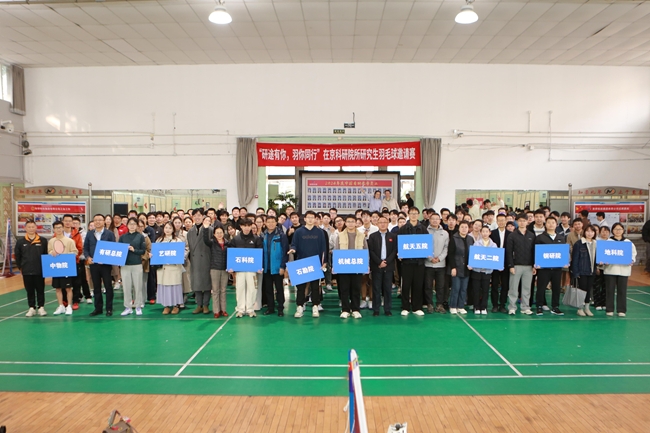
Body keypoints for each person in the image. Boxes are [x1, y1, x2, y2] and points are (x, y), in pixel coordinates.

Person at [288, 210, 329, 318]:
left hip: (315, 263)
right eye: (308, 217)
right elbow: (294, 244)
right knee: (301, 287)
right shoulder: (299, 232)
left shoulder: (320, 232)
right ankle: (300, 306)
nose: (310, 219)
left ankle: (315, 306)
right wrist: (293, 249)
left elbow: (323, 248)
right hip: (301, 263)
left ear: (315, 219)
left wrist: (324, 262)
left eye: (312, 217)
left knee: (315, 286)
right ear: (305, 219)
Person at [334, 215, 369, 319]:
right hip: (343, 266)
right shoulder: (340, 236)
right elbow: (336, 251)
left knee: (356, 288)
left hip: (357, 266)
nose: (350, 223)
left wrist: (366, 265)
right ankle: (345, 309)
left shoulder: (361, 236)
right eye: (348, 221)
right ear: (345, 223)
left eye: (352, 221)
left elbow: (365, 251)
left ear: (356, 223)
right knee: (344, 288)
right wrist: (335, 265)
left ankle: (355, 309)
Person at [229, 219, 263, 318]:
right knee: (240, 288)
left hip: (252, 269)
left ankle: (250, 309)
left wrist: (259, 266)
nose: (247, 228)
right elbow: (232, 254)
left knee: (252, 288)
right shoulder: (236, 239)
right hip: (239, 269)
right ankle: (240, 309)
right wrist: (231, 267)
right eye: (245, 226)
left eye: (249, 226)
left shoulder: (256, 239)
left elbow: (260, 253)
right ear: (241, 226)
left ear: (251, 226)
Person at [84, 214, 117, 317]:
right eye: (95, 220)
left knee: (108, 286)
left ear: (104, 222)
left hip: (106, 265)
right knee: (96, 287)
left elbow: (113, 248)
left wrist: (106, 259)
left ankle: (109, 308)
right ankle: (98, 308)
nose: (98, 222)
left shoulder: (109, 234)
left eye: (100, 220)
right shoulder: (90, 234)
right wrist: (88, 257)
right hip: (94, 265)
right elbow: (85, 248)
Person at [602, 222, 637, 317]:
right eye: (616, 229)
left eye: (620, 229)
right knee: (609, 290)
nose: (618, 231)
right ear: (612, 231)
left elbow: (633, 253)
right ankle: (609, 309)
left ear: (623, 230)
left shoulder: (628, 242)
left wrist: (632, 260)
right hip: (610, 269)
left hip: (624, 270)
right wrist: (604, 261)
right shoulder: (608, 242)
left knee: (622, 290)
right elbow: (603, 254)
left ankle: (621, 310)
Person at [534, 217, 567, 316]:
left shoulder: (561, 238)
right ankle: (539, 306)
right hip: (544, 268)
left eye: (553, 222)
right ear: (545, 224)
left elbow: (563, 252)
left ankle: (555, 307)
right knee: (541, 288)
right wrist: (536, 263)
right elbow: (536, 251)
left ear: (556, 224)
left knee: (556, 288)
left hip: (557, 268)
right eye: (549, 222)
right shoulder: (540, 237)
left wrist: (565, 262)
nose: (551, 224)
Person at [15, 220, 49, 317]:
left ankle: (41, 307)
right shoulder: (20, 242)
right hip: (26, 270)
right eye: (29, 227)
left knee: (40, 289)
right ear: (25, 228)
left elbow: (46, 254)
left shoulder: (43, 240)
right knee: (29, 290)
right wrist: (20, 267)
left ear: (36, 227)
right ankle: (31, 307)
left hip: (39, 270)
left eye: (33, 227)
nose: (31, 229)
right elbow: (18, 256)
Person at [398, 206, 427, 316]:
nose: (414, 215)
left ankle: (416, 307)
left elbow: (426, 244)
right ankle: (405, 307)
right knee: (406, 285)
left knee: (418, 285)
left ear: (418, 215)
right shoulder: (403, 229)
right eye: (412, 213)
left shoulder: (423, 229)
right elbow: (399, 244)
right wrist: (399, 253)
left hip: (419, 263)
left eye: (415, 213)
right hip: (406, 262)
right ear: (408, 215)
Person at [505, 214, 536, 315]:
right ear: (517, 222)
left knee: (526, 288)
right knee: (513, 288)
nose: (522, 223)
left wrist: (534, 265)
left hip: (529, 266)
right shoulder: (512, 235)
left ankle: (525, 307)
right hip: (516, 266)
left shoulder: (531, 235)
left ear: (527, 222)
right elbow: (509, 252)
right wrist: (511, 265)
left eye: (524, 221)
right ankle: (512, 307)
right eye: (520, 221)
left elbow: (534, 251)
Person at [48, 221, 78, 316]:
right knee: (58, 288)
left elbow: (75, 252)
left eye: (60, 227)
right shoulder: (51, 241)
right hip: (56, 268)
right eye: (56, 228)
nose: (59, 229)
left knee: (68, 288)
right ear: (54, 229)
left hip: (66, 267)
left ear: (63, 228)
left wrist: (66, 255)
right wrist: (51, 253)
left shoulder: (70, 241)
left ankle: (69, 306)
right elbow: (49, 251)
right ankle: (61, 306)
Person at [368, 216, 397, 316]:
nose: (383, 224)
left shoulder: (393, 236)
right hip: (377, 266)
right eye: (380, 222)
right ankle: (376, 309)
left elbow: (394, 250)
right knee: (376, 288)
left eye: (385, 222)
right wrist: (379, 262)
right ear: (377, 224)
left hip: (389, 266)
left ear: (388, 223)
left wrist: (386, 261)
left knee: (387, 289)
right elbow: (371, 251)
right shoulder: (372, 236)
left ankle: (387, 309)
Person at [118, 217, 146, 316]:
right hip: (125, 264)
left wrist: (134, 250)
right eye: (130, 224)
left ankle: (138, 306)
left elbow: (143, 251)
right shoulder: (122, 237)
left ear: (137, 225)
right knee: (126, 287)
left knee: (138, 286)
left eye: (134, 224)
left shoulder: (140, 236)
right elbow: (119, 250)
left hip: (137, 264)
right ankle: (128, 307)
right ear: (127, 225)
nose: (132, 226)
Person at [261, 215, 289, 316]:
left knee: (279, 289)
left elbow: (285, 252)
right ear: (265, 223)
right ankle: (270, 308)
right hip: (266, 267)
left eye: (273, 222)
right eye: (268, 222)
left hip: (277, 267)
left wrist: (282, 266)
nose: (271, 224)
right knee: (268, 289)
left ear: (276, 223)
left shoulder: (281, 235)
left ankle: (280, 308)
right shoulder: (263, 235)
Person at [155, 222, 185, 315]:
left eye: (170, 228)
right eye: (166, 228)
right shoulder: (159, 240)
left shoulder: (177, 241)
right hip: (163, 268)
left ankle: (176, 305)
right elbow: (156, 253)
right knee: (164, 287)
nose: (167, 230)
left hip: (174, 268)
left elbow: (181, 253)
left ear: (173, 230)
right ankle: (166, 306)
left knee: (174, 287)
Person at [187, 209, 212, 314]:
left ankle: (206, 305)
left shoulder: (209, 229)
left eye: (199, 215)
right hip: (194, 260)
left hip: (206, 259)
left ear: (203, 216)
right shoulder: (190, 231)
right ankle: (199, 305)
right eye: (195, 216)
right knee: (196, 283)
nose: (197, 217)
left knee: (206, 283)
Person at [203, 220, 229, 318]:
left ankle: (223, 310)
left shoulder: (227, 243)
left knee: (223, 290)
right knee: (215, 290)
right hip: (214, 268)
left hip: (225, 269)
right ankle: (216, 311)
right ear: (214, 234)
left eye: (221, 232)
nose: (219, 234)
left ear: (223, 233)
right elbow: (205, 240)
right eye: (217, 233)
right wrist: (205, 228)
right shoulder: (212, 242)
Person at [571, 224, 598, 317]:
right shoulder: (579, 244)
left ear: (594, 233)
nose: (590, 233)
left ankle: (587, 308)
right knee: (582, 290)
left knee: (588, 290)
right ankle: (580, 309)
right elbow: (575, 259)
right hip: (582, 271)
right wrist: (575, 272)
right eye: (588, 231)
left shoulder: (596, 244)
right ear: (584, 232)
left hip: (592, 271)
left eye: (592, 231)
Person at [424, 213, 449, 314]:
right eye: (433, 219)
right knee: (428, 286)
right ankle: (429, 304)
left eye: (437, 219)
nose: (435, 220)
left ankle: (439, 304)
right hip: (428, 264)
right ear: (429, 220)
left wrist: (439, 258)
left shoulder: (445, 233)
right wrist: (430, 258)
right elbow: (423, 246)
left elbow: (446, 248)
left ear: (440, 220)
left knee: (440, 286)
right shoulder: (425, 231)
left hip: (441, 264)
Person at [447, 221, 473, 314]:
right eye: (462, 227)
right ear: (459, 228)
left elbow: (472, 253)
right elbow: (450, 254)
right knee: (456, 288)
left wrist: (472, 264)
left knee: (463, 288)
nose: (464, 229)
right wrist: (453, 267)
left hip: (466, 268)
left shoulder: (470, 239)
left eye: (466, 227)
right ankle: (453, 306)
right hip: (457, 267)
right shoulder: (454, 238)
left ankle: (461, 306)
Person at [471, 225, 498, 315]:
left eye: (487, 231)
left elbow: (496, 257)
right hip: (477, 271)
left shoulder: (493, 245)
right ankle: (476, 306)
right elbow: (473, 256)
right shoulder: (476, 244)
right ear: (481, 233)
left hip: (487, 271)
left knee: (485, 290)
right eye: (483, 231)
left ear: (490, 233)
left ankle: (484, 307)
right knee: (476, 290)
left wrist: (498, 266)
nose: (485, 233)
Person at [61, 214, 83, 310]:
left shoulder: (77, 234)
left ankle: (75, 301)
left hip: (74, 261)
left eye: (69, 221)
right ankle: (65, 300)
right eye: (66, 221)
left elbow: (80, 248)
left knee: (76, 282)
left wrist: (72, 256)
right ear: (63, 222)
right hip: (62, 262)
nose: (68, 223)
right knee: (63, 282)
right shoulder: (58, 233)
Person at [489, 214, 510, 313]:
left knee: (505, 285)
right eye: (499, 220)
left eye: (503, 220)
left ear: (506, 221)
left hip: (506, 263)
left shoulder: (511, 234)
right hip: (494, 262)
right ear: (496, 222)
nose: (501, 222)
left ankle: (502, 304)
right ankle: (495, 305)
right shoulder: (492, 233)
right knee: (494, 284)